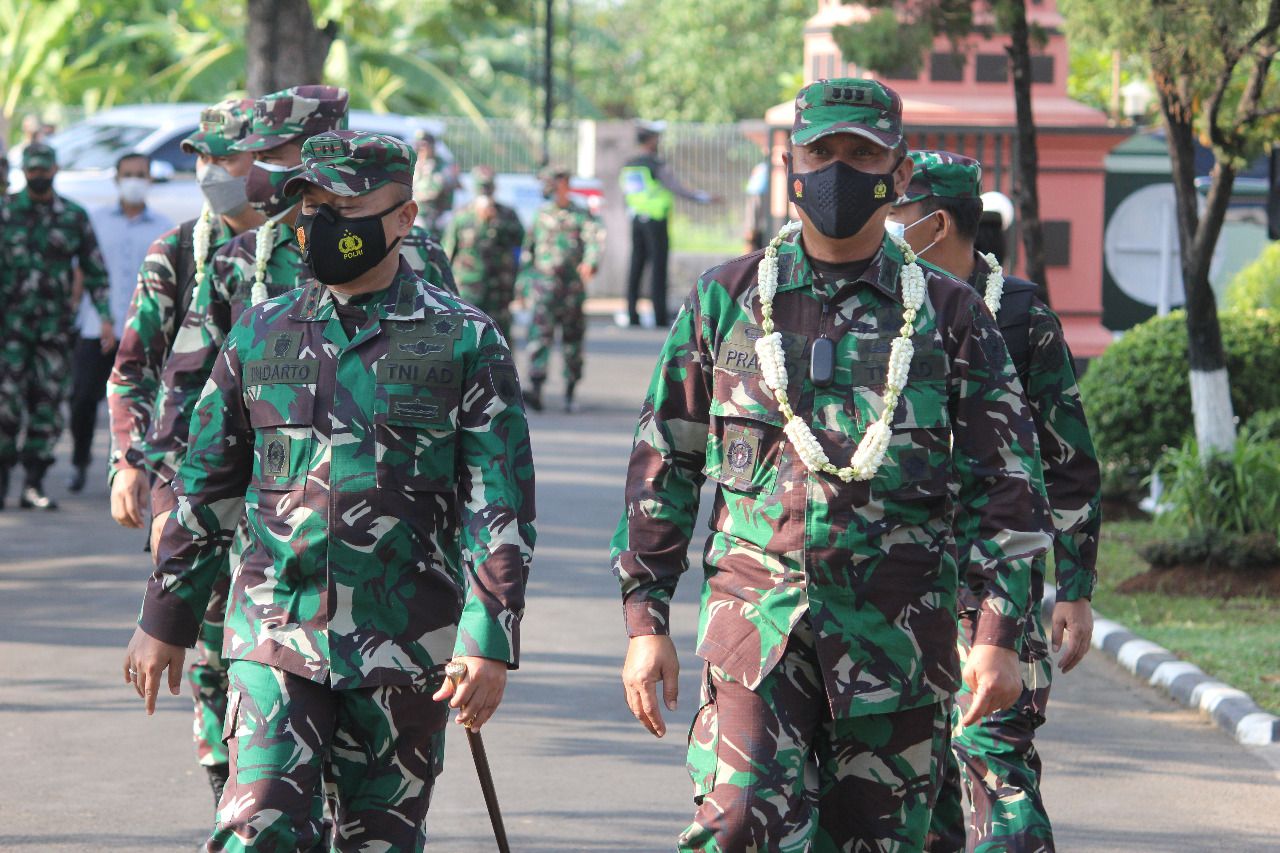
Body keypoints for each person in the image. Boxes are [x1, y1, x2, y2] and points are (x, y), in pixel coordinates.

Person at [610, 79, 1052, 852]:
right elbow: (666, 464)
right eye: (822, 151)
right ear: (792, 164)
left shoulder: (949, 315)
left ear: (900, 173)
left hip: (899, 640)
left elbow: (1007, 486)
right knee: (737, 825)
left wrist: (998, 633)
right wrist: (646, 622)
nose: (839, 170)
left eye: (861, 153)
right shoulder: (726, 300)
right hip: (759, 631)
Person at [123, 130, 535, 852]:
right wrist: (166, 616)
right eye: (311, 204)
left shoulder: (463, 339)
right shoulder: (260, 332)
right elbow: (207, 484)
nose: (322, 221)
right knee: (256, 826)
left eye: (344, 204)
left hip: (406, 644)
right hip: (273, 630)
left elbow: (496, 501)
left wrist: (489, 634)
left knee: (378, 840)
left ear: (404, 218)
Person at [886, 151, 1101, 853]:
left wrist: (1076, 585)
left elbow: (1067, 457)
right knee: (915, 790)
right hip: (895, 584)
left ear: (937, 221)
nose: (884, 223)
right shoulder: (880, 299)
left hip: (993, 588)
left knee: (997, 766)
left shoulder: (1019, 313)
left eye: (897, 212)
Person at [105, 96, 264, 807]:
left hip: (286, 495)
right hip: (195, 488)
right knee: (210, 658)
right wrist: (132, 460)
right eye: (201, 157)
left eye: (225, 157)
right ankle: (225, 793)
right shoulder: (178, 251)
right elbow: (135, 366)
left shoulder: (302, 254)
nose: (211, 171)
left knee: (269, 658)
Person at [0, 142, 112, 510]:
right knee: (6, 405)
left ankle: (33, 483)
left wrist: (106, 318)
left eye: (43, 170)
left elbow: (95, 270)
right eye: (31, 170)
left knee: (46, 406)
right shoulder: (4, 212)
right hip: (8, 330)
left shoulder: (73, 215)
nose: (38, 176)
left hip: (54, 330)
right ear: (24, 172)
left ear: (54, 170)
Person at [67, 152, 174, 492]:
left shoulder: (164, 227)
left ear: (149, 180)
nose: (133, 180)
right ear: (116, 179)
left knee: (146, 400)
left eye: (140, 174)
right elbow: (81, 270)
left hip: (143, 330)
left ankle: (139, 468)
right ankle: (80, 460)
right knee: (83, 398)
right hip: (95, 327)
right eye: (127, 173)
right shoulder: (94, 220)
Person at [520, 167, 604, 414]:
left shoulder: (581, 215)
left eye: (551, 183)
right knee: (539, 338)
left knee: (572, 341)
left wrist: (591, 262)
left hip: (571, 290)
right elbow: (529, 252)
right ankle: (535, 389)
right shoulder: (540, 214)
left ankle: (570, 391)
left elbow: (594, 241)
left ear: (565, 183)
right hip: (543, 289)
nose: (547, 189)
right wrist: (523, 284)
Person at [619, 119, 714, 327]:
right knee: (658, 269)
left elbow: (626, 194)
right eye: (657, 138)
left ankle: (632, 315)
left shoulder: (629, 165)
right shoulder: (656, 165)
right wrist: (703, 198)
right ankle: (659, 316)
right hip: (655, 221)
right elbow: (677, 188)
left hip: (636, 220)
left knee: (636, 267)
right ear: (651, 140)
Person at [442, 165, 525, 340]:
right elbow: (447, 253)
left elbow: (521, 242)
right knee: (468, 337)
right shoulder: (462, 215)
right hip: (469, 288)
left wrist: (497, 222)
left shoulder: (507, 214)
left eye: (488, 187)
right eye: (482, 187)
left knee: (500, 338)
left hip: (499, 291)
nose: (485, 192)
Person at [411, 129, 458, 232]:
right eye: (419, 146)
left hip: (438, 214)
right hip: (416, 213)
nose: (422, 150)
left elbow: (434, 190)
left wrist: (427, 169)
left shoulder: (443, 166)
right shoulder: (413, 165)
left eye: (425, 147)